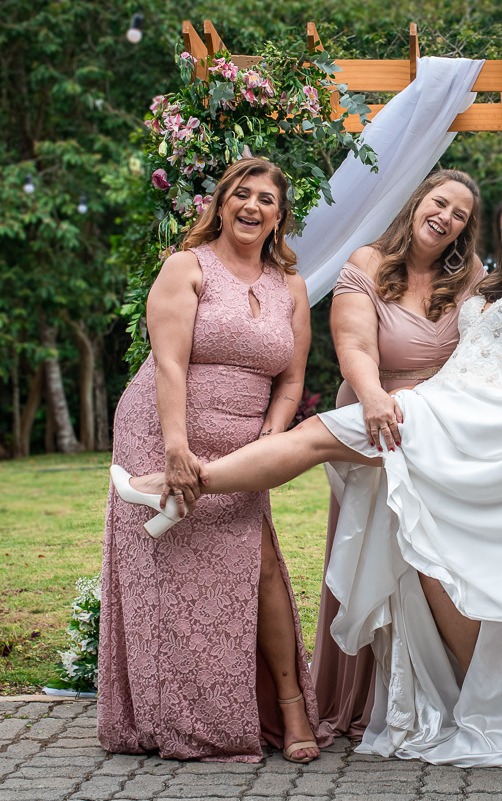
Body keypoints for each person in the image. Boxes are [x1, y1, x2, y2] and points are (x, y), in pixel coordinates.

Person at [111, 187, 502, 799]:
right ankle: (181, 489)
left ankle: (183, 486)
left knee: (316, 437)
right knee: (409, 537)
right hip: (434, 408)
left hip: (472, 420)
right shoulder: (486, 290)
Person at [99, 157, 328, 765]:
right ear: (221, 205)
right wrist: (175, 447)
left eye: (267, 200)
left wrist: (269, 443)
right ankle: (172, 715)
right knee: (172, 577)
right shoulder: (186, 267)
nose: (253, 207)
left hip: (244, 444)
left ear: (281, 217)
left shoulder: (294, 289)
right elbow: (169, 362)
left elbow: (290, 380)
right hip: (163, 430)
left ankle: (288, 707)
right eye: (242, 196)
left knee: (259, 568)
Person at [312, 169, 484, 739]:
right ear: (417, 201)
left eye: (460, 214)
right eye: (440, 203)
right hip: (375, 416)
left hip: (437, 427)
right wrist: (375, 400)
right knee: (383, 548)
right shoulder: (366, 262)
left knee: (436, 552)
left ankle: (462, 687)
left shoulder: (469, 277)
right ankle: (369, 696)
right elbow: (354, 345)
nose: (446, 218)